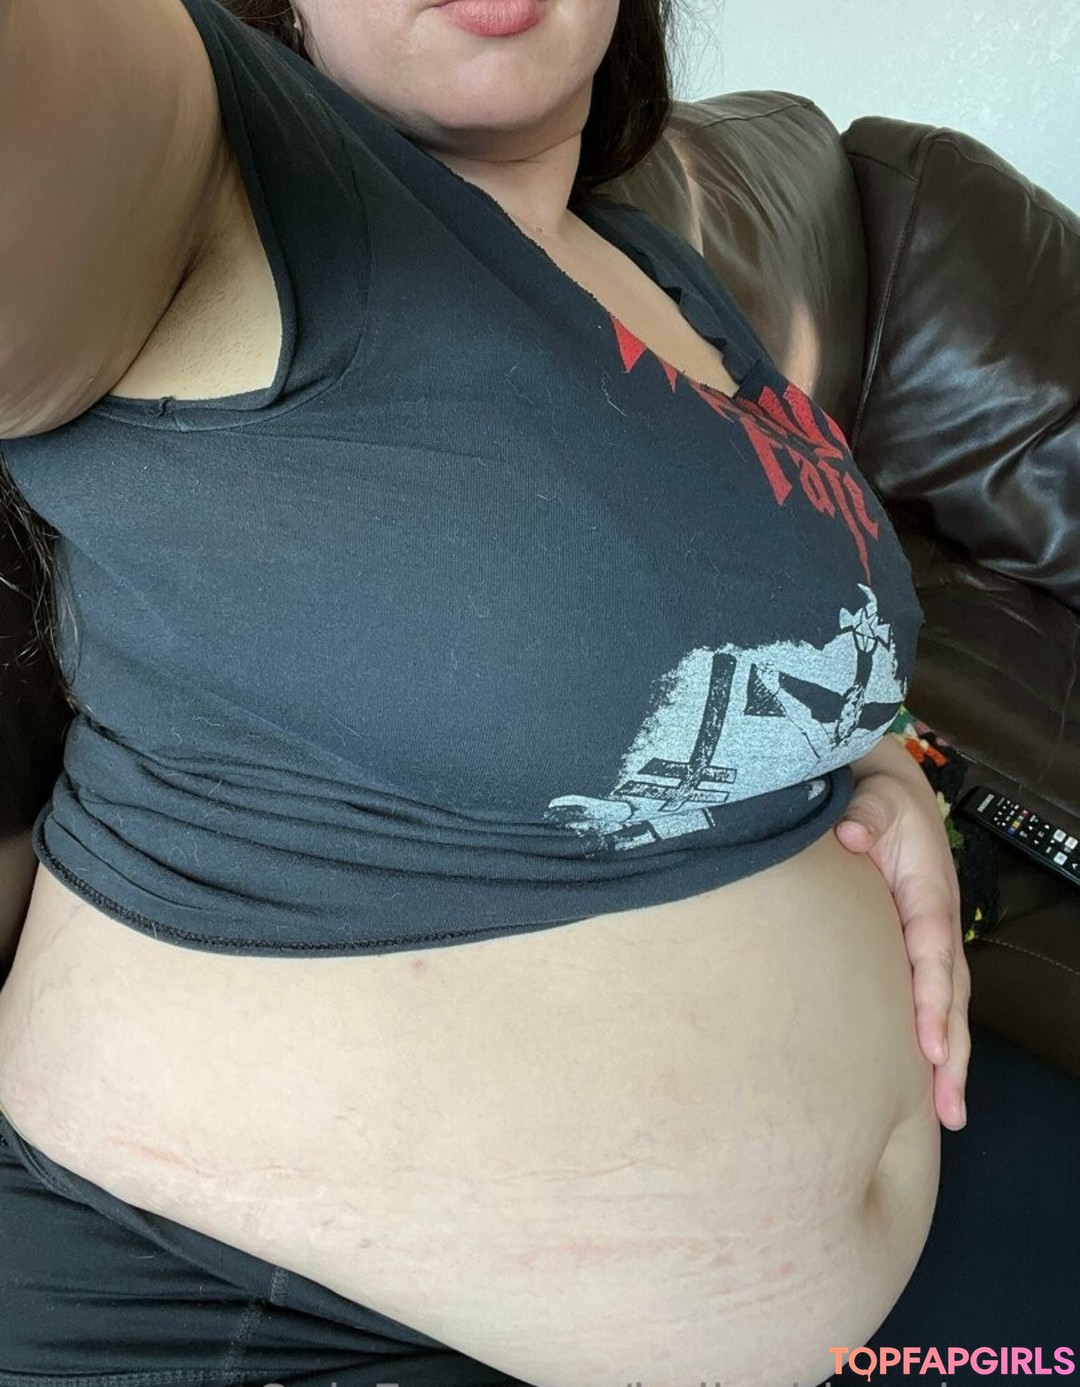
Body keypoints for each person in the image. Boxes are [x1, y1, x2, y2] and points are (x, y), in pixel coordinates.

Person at [0, 1, 1074, 1382]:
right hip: (249, 1309)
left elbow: (741, 633)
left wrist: (871, 763)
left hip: (888, 1264)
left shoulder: (659, 273)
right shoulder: (208, 171)